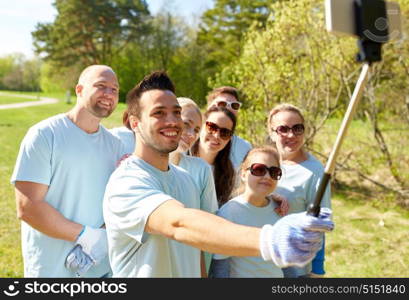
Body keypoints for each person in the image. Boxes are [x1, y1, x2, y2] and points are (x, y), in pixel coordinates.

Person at [102, 70, 334, 278]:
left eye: (176, 112)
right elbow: (179, 224)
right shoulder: (126, 182)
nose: (172, 121)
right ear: (135, 123)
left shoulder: (186, 179)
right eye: (158, 113)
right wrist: (270, 239)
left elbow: (200, 242)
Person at [10, 65, 125, 277]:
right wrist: (86, 237)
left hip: (98, 270)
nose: (109, 94)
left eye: (115, 89)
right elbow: (28, 207)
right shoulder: (44, 135)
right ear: (79, 90)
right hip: (50, 270)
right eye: (101, 86)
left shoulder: (115, 145)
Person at [267, 103, 332, 278]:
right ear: (272, 133)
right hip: (259, 262)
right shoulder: (262, 162)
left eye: (297, 128)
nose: (291, 135)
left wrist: (318, 270)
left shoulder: (315, 171)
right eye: (283, 129)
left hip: (294, 267)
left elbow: (319, 224)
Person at [209, 146, 288, 278]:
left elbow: (285, 260)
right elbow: (221, 266)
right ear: (243, 174)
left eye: (274, 172)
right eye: (259, 169)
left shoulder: (278, 210)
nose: (267, 176)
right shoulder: (229, 212)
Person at [190, 106, 237, 207]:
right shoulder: (179, 158)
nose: (216, 136)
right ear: (201, 126)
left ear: (229, 138)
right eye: (212, 127)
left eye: (224, 133)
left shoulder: (229, 174)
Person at [206, 86, 252, 171]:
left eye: (234, 105)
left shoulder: (245, 147)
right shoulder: (191, 138)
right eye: (222, 104)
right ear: (209, 107)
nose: (228, 108)